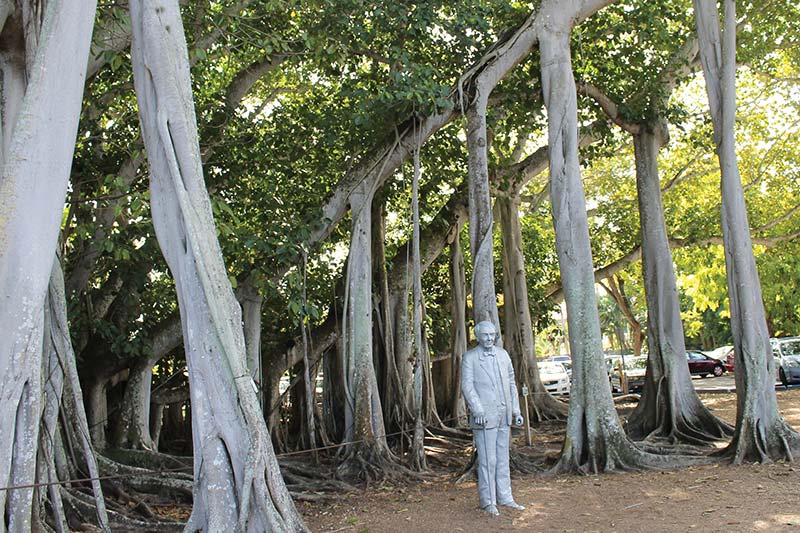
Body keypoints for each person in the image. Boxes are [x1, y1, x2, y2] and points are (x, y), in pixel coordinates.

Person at [461, 320, 526, 516]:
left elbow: (511, 383)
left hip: (503, 414)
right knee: (488, 460)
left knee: (502, 458)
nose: (490, 339)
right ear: (478, 336)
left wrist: (516, 411)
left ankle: (505, 497)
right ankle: (488, 501)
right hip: (484, 416)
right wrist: (477, 409)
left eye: (492, 335)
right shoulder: (470, 358)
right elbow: (467, 386)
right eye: (486, 335)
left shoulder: (503, 354)